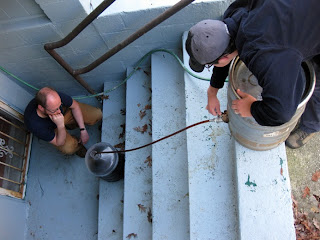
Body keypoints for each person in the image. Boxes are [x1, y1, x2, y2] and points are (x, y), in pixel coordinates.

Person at [186, 0, 320, 149]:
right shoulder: (235, 12)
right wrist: (212, 92)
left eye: (211, 65)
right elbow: (223, 53)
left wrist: (251, 108)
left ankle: (311, 126)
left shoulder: (262, 55)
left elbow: (281, 113)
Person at [24, 87, 102, 157]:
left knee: (97, 114)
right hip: (54, 128)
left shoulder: (55, 98)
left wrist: (83, 129)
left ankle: (72, 124)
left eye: (60, 105)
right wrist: (60, 125)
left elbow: (75, 107)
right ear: (41, 108)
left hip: (66, 114)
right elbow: (59, 142)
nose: (59, 111)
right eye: (55, 109)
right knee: (69, 148)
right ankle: (77, 146)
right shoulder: (34, 124)